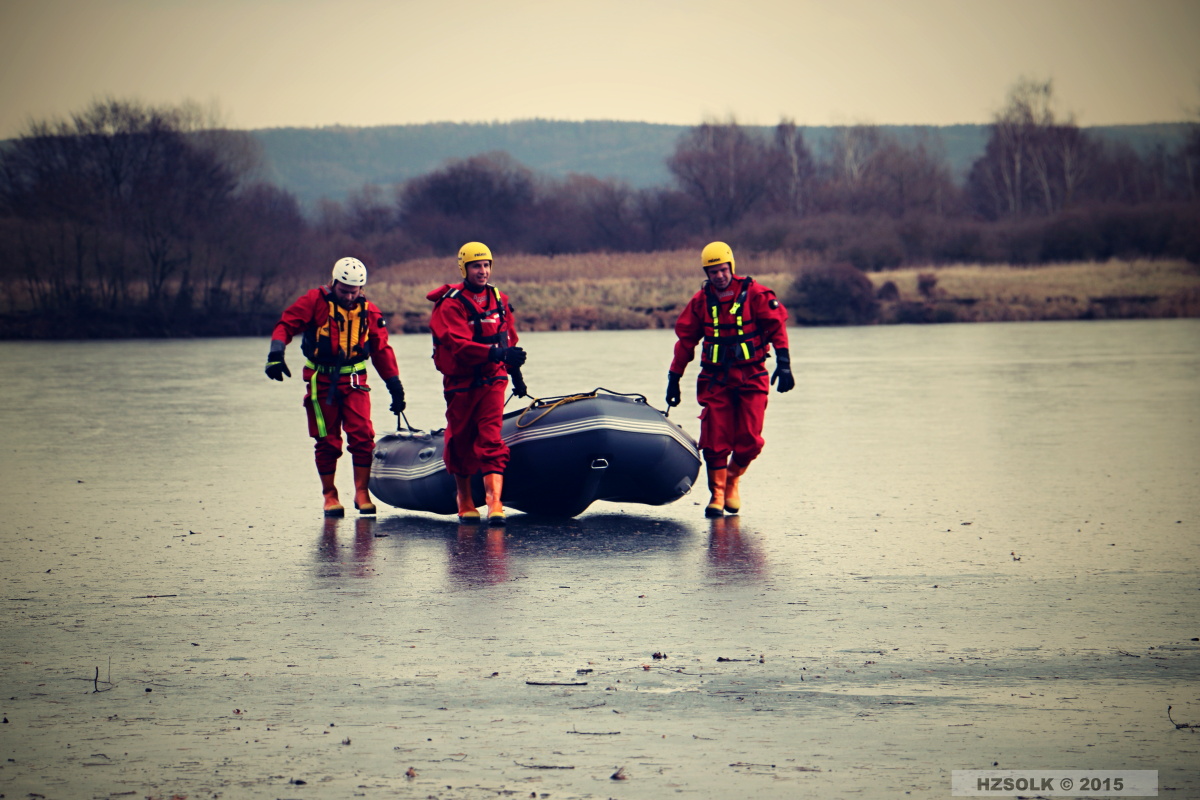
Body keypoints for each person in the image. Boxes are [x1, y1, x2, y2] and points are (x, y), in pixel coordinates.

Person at [265, 257, 406, 517]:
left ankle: (361, 492)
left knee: (363, 436)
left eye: (355, 291)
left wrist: (394, 385)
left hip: (355, 380)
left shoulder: (370, 312)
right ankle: (330, 494)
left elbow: (381, 349)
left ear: (362, 289)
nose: (350, 297)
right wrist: (276, 353)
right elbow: (286, 325)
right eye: (344, 291)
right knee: (328, 441)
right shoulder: (314, 302)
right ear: (334, 283)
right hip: (322, 381)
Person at [665, 241, 794, 517]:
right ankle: (717, 494)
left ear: (731, 267)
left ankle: (733, 479)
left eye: (723, 270)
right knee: (714, 438)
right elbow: (686, 341)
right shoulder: (700, 302)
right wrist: (674, 377)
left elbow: (776, 326)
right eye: (713, 272)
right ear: (707, 274)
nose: (719, 276)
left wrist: (784, 364)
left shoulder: (756, 294)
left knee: (750, 439)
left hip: (752, 374)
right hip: (715, 378)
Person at [427, 242, 526, 525]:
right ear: (464, 268)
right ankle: (465, 498)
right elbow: (458, 344)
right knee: (461, 439)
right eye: (476, 266)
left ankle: (495, 503)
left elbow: (508, 339)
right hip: (461, 381)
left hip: (493, 379)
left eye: (486, 265)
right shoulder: (451, 304)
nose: (482, 271)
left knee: (491, 437)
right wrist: (496, 353)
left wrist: (515, 374)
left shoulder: (499, 299)